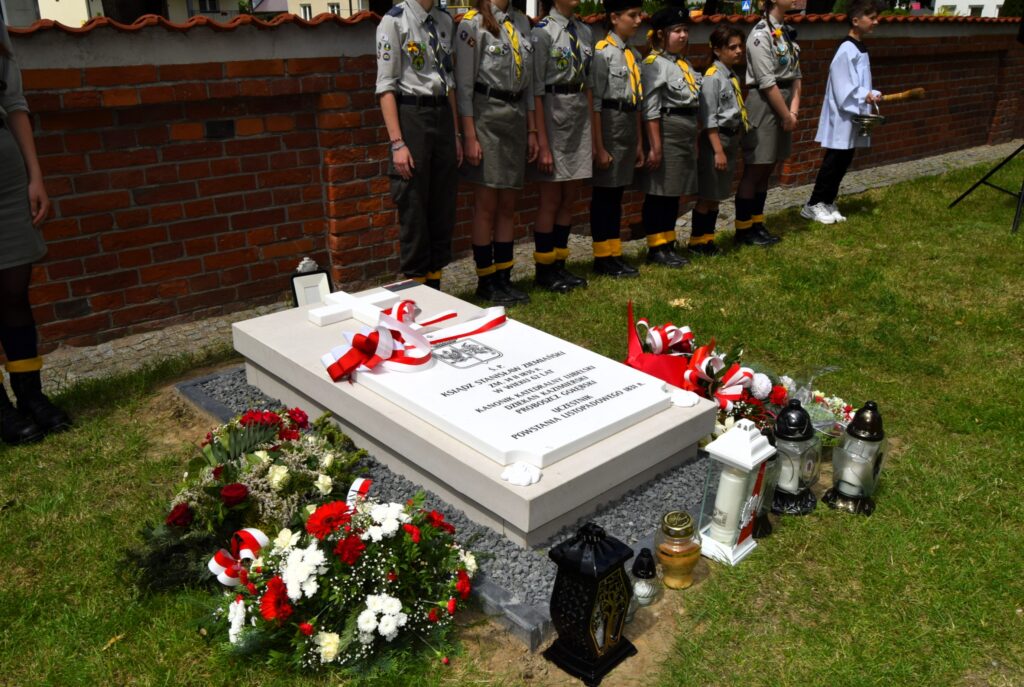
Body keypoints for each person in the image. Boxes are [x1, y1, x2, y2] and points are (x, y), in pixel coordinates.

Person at [0, 21, 71, 445]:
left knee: (13, 290)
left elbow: (13, 101)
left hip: (5, 173)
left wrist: (35, 175)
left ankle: (30, 396)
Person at [376, 0, 463, 290]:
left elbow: (449, 82)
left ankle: (436, 290)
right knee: (413, 206)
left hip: (442, 115)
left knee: (442, 207)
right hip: (412, 115)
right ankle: (416, 293)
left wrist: (456, 135)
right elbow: (386, 87)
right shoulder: (394, 21)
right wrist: (397, 143)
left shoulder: (444, 20)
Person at [455, 0, 536, 304]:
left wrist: (532, 130)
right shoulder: (472, 24)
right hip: (486, 117)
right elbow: (464, 87)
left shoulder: (521, 23)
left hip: (515, 117)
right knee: (486, 205)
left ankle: (504, 277)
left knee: (508, 204)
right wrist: (469, 136)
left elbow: (529, 87)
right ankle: (485, 280)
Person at [530, 0, 594, 293]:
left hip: (577, 115)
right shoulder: (542, 32)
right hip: (553, 115)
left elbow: (589, 85)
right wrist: (542, 142)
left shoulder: (584, 32)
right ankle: (544, 269)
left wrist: (590, 132)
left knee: (569, 197)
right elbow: (536, 91)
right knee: (551, 198)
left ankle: (560, 263)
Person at [801, 0, 882, 225]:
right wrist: (863, 95)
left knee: (844, 160)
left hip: (854, 115)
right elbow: (842, 86)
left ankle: (828, 200)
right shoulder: (846, 49)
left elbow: (860, 82)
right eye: (872, 18)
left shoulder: (860, 47)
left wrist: (871, 93)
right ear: (855, 21)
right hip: (842, 116)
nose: (876, 22)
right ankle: (813, 204)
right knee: (833, 161)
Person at [636, 3, 701, 268]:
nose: (683, 35)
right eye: (677, 31)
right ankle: (656, 247)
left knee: (673, 193)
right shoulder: (654, 64)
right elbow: (650, 109)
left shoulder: (683, 64)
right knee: (659, 192)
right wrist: (656, 146)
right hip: (667, 130)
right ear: (661, 34)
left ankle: (668, 243)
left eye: (685, 30)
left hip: (684, 131)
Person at [735, 0, 802, 247]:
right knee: (756, 167)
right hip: (765, 103)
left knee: (768, 167)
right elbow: (766, 82)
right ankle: (743, 229)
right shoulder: (760, 34)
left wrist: (793, 112)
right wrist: (786, 115)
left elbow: (796, 75)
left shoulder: (785, 32)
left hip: (784, 102)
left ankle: (757, 223)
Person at [588, 0, 644, 278]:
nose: (638, 20)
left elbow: (637, 101)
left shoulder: (633, 54)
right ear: (614, 18)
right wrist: (598, 146)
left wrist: (639, 143)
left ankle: (614, 252)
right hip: (609, 124)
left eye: (639, 15)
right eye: (632, 15)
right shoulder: (603, 53)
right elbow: (595, 103)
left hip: (627, 124)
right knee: (604, 195)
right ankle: (602, 257)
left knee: (617, 193)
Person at [690, 24, 748, 256]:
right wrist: (718, 151)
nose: (738, 51)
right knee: (707, 195)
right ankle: (696, 242)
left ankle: (708, 239)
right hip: (717, 141)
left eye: (740, 46)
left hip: (730, 139)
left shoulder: (731, 76)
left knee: (717, 195)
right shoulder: (712, 78)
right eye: (732, 47)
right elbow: (709, 119)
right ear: (717, 50)